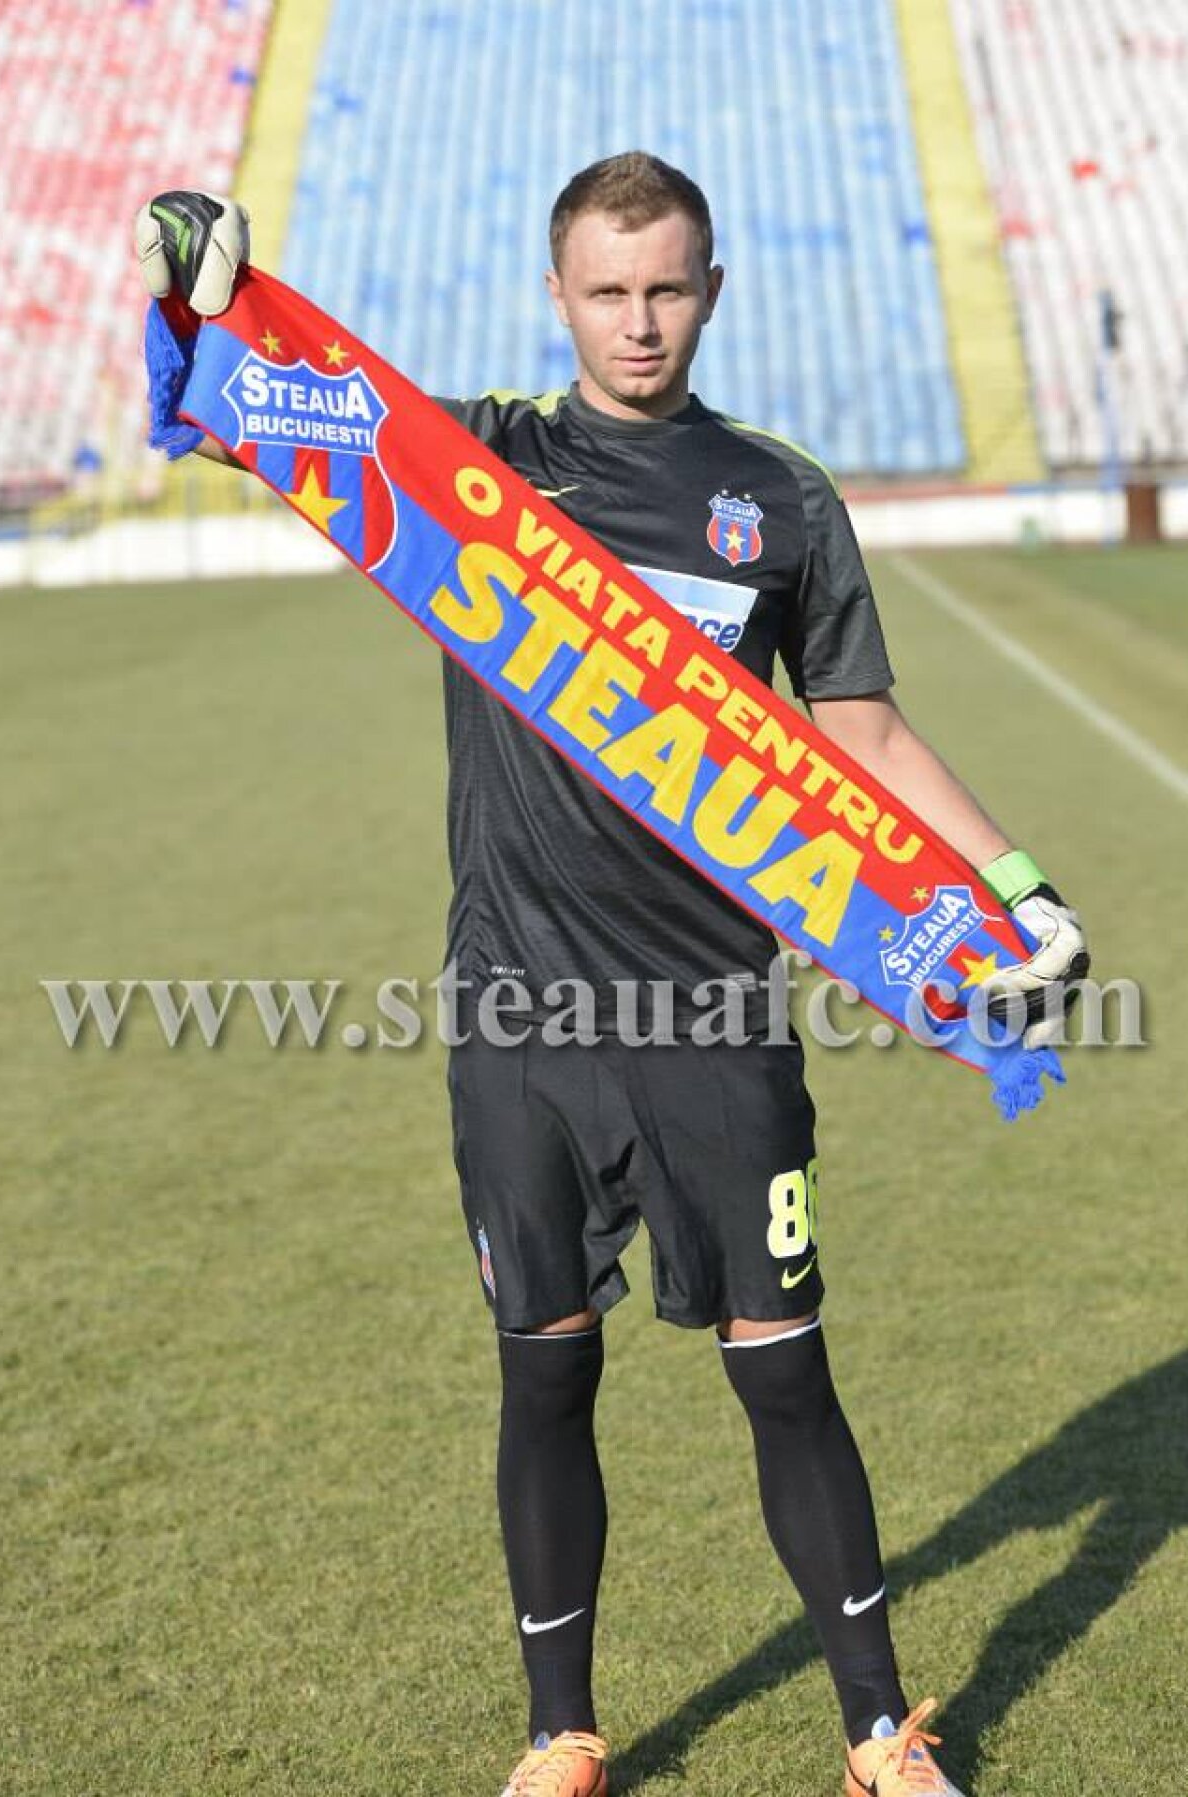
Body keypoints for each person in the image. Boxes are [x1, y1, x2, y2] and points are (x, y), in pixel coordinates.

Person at [134, 153, 1087, 1797]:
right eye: (608, 291)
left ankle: (879, 1734)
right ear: (558, 295)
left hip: (718, 1012)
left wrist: (1014, 890)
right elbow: (269, 411)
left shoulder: (781, 498)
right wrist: (198, 289)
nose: (638, 322)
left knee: (785, 1372)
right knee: (547, 1367)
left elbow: (860, 730)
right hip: (519, 1018)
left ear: (710, 290)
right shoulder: (479, 469)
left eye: (666, 289)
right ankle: (560, 1735)